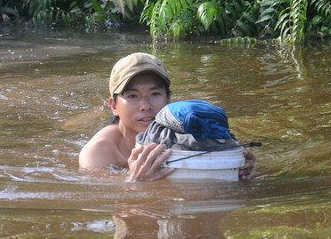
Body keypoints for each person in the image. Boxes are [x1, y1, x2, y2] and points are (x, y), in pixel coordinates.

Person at [79, 52, 254, 181]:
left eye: (155, 94)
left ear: (169, 100)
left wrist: (238, 165)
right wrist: (133, 181)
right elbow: (109, 199)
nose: (146, 105)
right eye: (133, 96)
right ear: (114, 106)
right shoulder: (97, 154)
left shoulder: (188, 131)